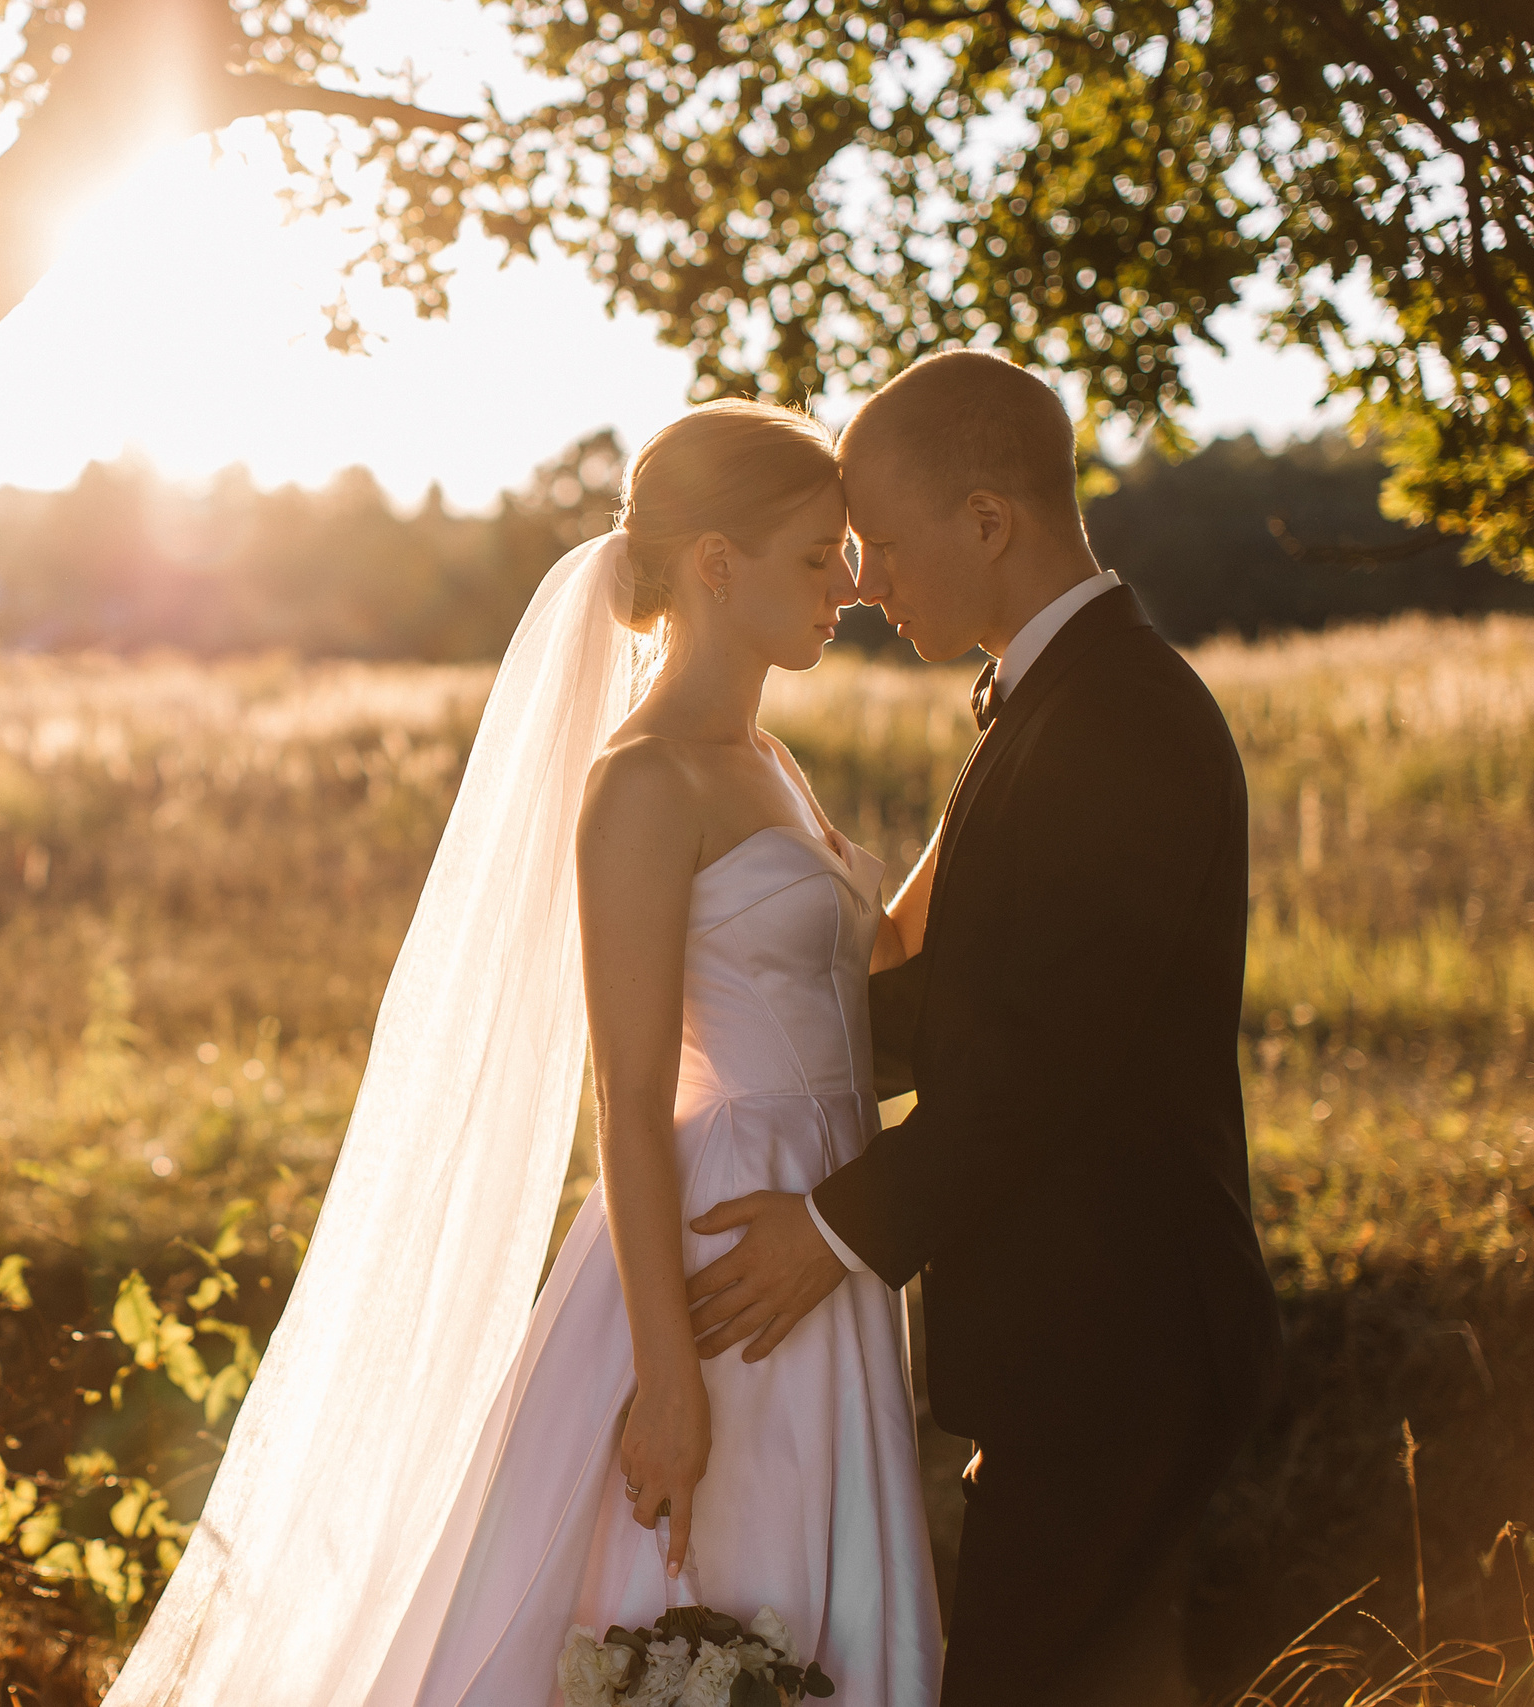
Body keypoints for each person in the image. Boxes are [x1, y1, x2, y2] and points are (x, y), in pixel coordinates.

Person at [102, 400, 939, 1707]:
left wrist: (992, 793)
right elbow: (630, 1095)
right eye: (815, 556)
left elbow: (873, 968)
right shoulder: (646, 782)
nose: (849, 586)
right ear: (715, 563)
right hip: (716, 1258)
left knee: (828, 1606)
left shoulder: (768, 761)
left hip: (824, 1228)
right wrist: (667, 1380)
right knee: (717, 1596)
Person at [683, 351, 1285, 1707]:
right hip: (1083, 1341)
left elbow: (1043, 1062)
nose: (866, 582)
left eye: (884, 546)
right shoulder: (1051, 698)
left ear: (990, 523)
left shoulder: (1118, 719)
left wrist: (833, 1228)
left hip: (1123, 1341)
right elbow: (977, 1007)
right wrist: (755, 1051)